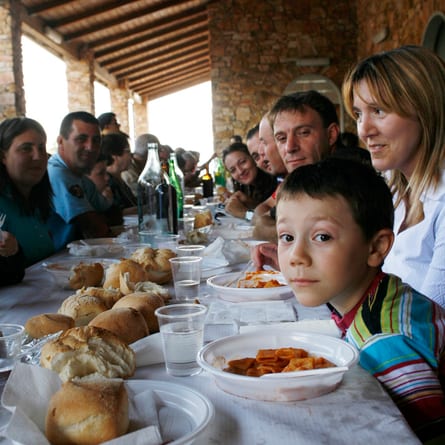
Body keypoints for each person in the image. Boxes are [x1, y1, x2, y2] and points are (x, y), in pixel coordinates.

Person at [275, 157, 445, 442]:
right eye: (287, 236)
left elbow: (428, 435)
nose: (296, 257)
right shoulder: (377, 293)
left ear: (377, 247)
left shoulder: (384, 342)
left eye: (322, 237)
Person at [342, 45, 445, 308]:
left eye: (378, 111)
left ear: (425, 110)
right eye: (358, 114)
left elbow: (431, 327)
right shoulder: (393, 187)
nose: (364, 130)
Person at [47, 111, 120, 250]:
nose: (90, 147)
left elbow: (107, 210)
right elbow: (92, 225)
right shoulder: (58, 173)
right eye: (81, 139)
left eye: (96, 141)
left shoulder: (80, 176)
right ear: (61, 142)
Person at [0, 117, 54, 283]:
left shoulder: (36, 201)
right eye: (26, 149)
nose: (38, 156)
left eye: (41, 148)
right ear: (3, 156)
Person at [222, 142, 278, 219]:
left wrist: (244, 213)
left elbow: (274, 220)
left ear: (253, 158)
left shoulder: (276, 181)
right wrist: (249, 202)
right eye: (233, 170)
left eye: (242, 162)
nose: (240, 171)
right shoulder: (247, 187)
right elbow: (263, 208)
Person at [100, 132, 137, 213]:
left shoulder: (119, 179)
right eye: (128, 151)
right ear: (114, 156)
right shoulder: (107, 182)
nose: (131, 156)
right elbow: (116, 213)